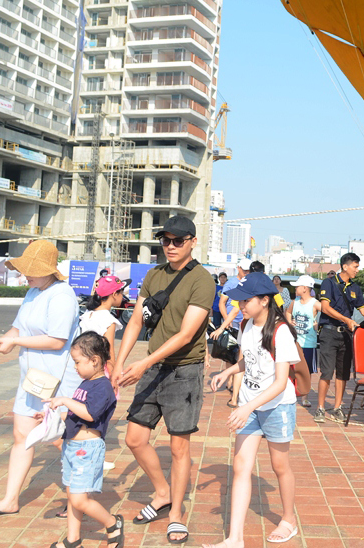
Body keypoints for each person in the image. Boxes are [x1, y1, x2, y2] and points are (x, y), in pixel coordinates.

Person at [113, 215, 213, 546]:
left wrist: (144, 363)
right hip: (152, 368)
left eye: (178, 241)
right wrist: (119, 361)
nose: (170, 246)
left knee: (178, 446)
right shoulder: (154, 276)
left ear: (192, 242)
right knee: (135, 438)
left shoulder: (202, 280)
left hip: (184, 369)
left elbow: (186, 335)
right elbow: (135, 323)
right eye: (165, 240)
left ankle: (176, 515)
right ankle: (162, 492)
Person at [0, 239, 81, 520]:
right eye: (25, 269)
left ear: (50, 269)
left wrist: (16, 341)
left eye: (32, 270)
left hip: (59, 379)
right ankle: (10, 499)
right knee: (21, 435)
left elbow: (57, 340)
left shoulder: (63, 295)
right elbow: (18, 327)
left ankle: (78, 500)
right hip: (33, 378)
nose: (26, 275)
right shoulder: (33, 292)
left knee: (67, 438)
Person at [206, 273, 300, 546]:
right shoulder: (246, 324)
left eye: (246, 300)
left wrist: (246, 407)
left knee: (280, 466)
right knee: (240, 467)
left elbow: (281, 383)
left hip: (276, 407)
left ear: (265, 300)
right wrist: (229, 372)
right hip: (250, 405)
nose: (241, 306)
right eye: (240, 300)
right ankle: (235, 538)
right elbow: (250, 360)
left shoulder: (281, 331)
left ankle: (288, 519)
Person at [46, 332, 122, 548]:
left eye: (78, 362)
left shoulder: (103, 387)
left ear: (95, 360)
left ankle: (112, 523)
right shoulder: (86, 384)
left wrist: (65, 400)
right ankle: (73, 540)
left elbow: (90, 414)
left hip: (87, 450)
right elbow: (75, 414)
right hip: (72, 447)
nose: (75, 367)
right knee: (72, 496)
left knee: (80, 499)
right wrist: (52, 414)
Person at [314, 252, 364, 423]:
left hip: (346, 335)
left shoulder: (355, 288)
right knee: (327, 373)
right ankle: (320, 408)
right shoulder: (328, 283)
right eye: (355, 266)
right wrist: (346, 319)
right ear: (345, 266)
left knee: (343, 374)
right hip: (329, 333)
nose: (357, 270)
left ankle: (337, 408)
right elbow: (325, 307)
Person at [213, 259, 249, 407]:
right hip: (232, 323)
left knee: (240, 355)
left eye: (249, 270)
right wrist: (225, 323)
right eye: (244, 269)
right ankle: (230, 380)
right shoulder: (231, 283)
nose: (246, 272)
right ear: (238, 268)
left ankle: (234, 382)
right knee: (231, 353)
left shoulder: (249, 283)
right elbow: (223, 303)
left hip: (245, 324)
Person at [286, 275, 320, 408]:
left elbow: (326, 313)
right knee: (291, 368)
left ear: (305, 288)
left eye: (297, 286)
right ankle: (291, 392)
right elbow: (288, 313)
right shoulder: (295, 302)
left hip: (309, 344)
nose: (295, 288)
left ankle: (304, 396)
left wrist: (318, 325)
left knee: (307, 371)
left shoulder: (315, 303)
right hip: (295, 343)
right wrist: (289, 321)